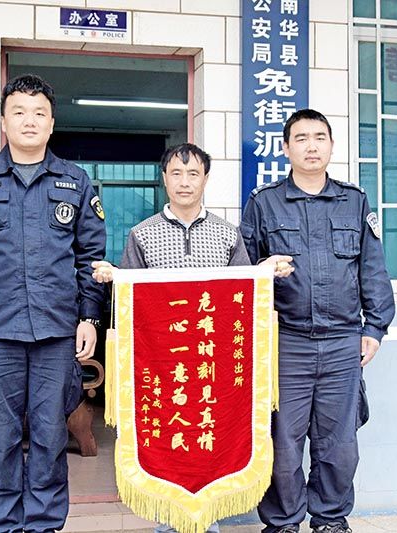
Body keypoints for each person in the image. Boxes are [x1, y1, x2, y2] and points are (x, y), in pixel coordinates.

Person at [92, 143, 292, 533]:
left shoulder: (227, 234)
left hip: (212, 367)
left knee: (209, 439)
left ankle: (207, 523)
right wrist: (115, 277)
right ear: (164, 179)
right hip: (161, 369)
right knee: (167, 443)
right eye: (177, 174)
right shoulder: (142, 234)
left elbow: (241, 295)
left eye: (193, 174)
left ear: (205, 179)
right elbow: (131, 301)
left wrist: (264, 272)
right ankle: (169, 524)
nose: (185, 182)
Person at [0, 74, 106, 533]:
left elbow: (90, 257)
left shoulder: (75, 181)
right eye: (19, 112)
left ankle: (43, 525)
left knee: (52, 437)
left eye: (39, 113)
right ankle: (1, 525)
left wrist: (89, 317)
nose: (29, 121)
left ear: (52, 123)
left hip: (57, 332)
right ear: (3, 121)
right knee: (0, 437)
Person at [240, 109, 395, 533]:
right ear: (285, 148)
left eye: (319, 137)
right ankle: (283, 522)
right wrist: (262, 271)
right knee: (283, 441)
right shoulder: (264, 202)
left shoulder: (354, 201)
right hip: (286, 342)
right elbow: (242, 268)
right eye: (302, 138)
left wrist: (374, 328)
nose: (312, 146)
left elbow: (372, 269)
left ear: (331, 145)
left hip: (343, 341)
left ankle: (330, 518)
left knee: (339, 443)